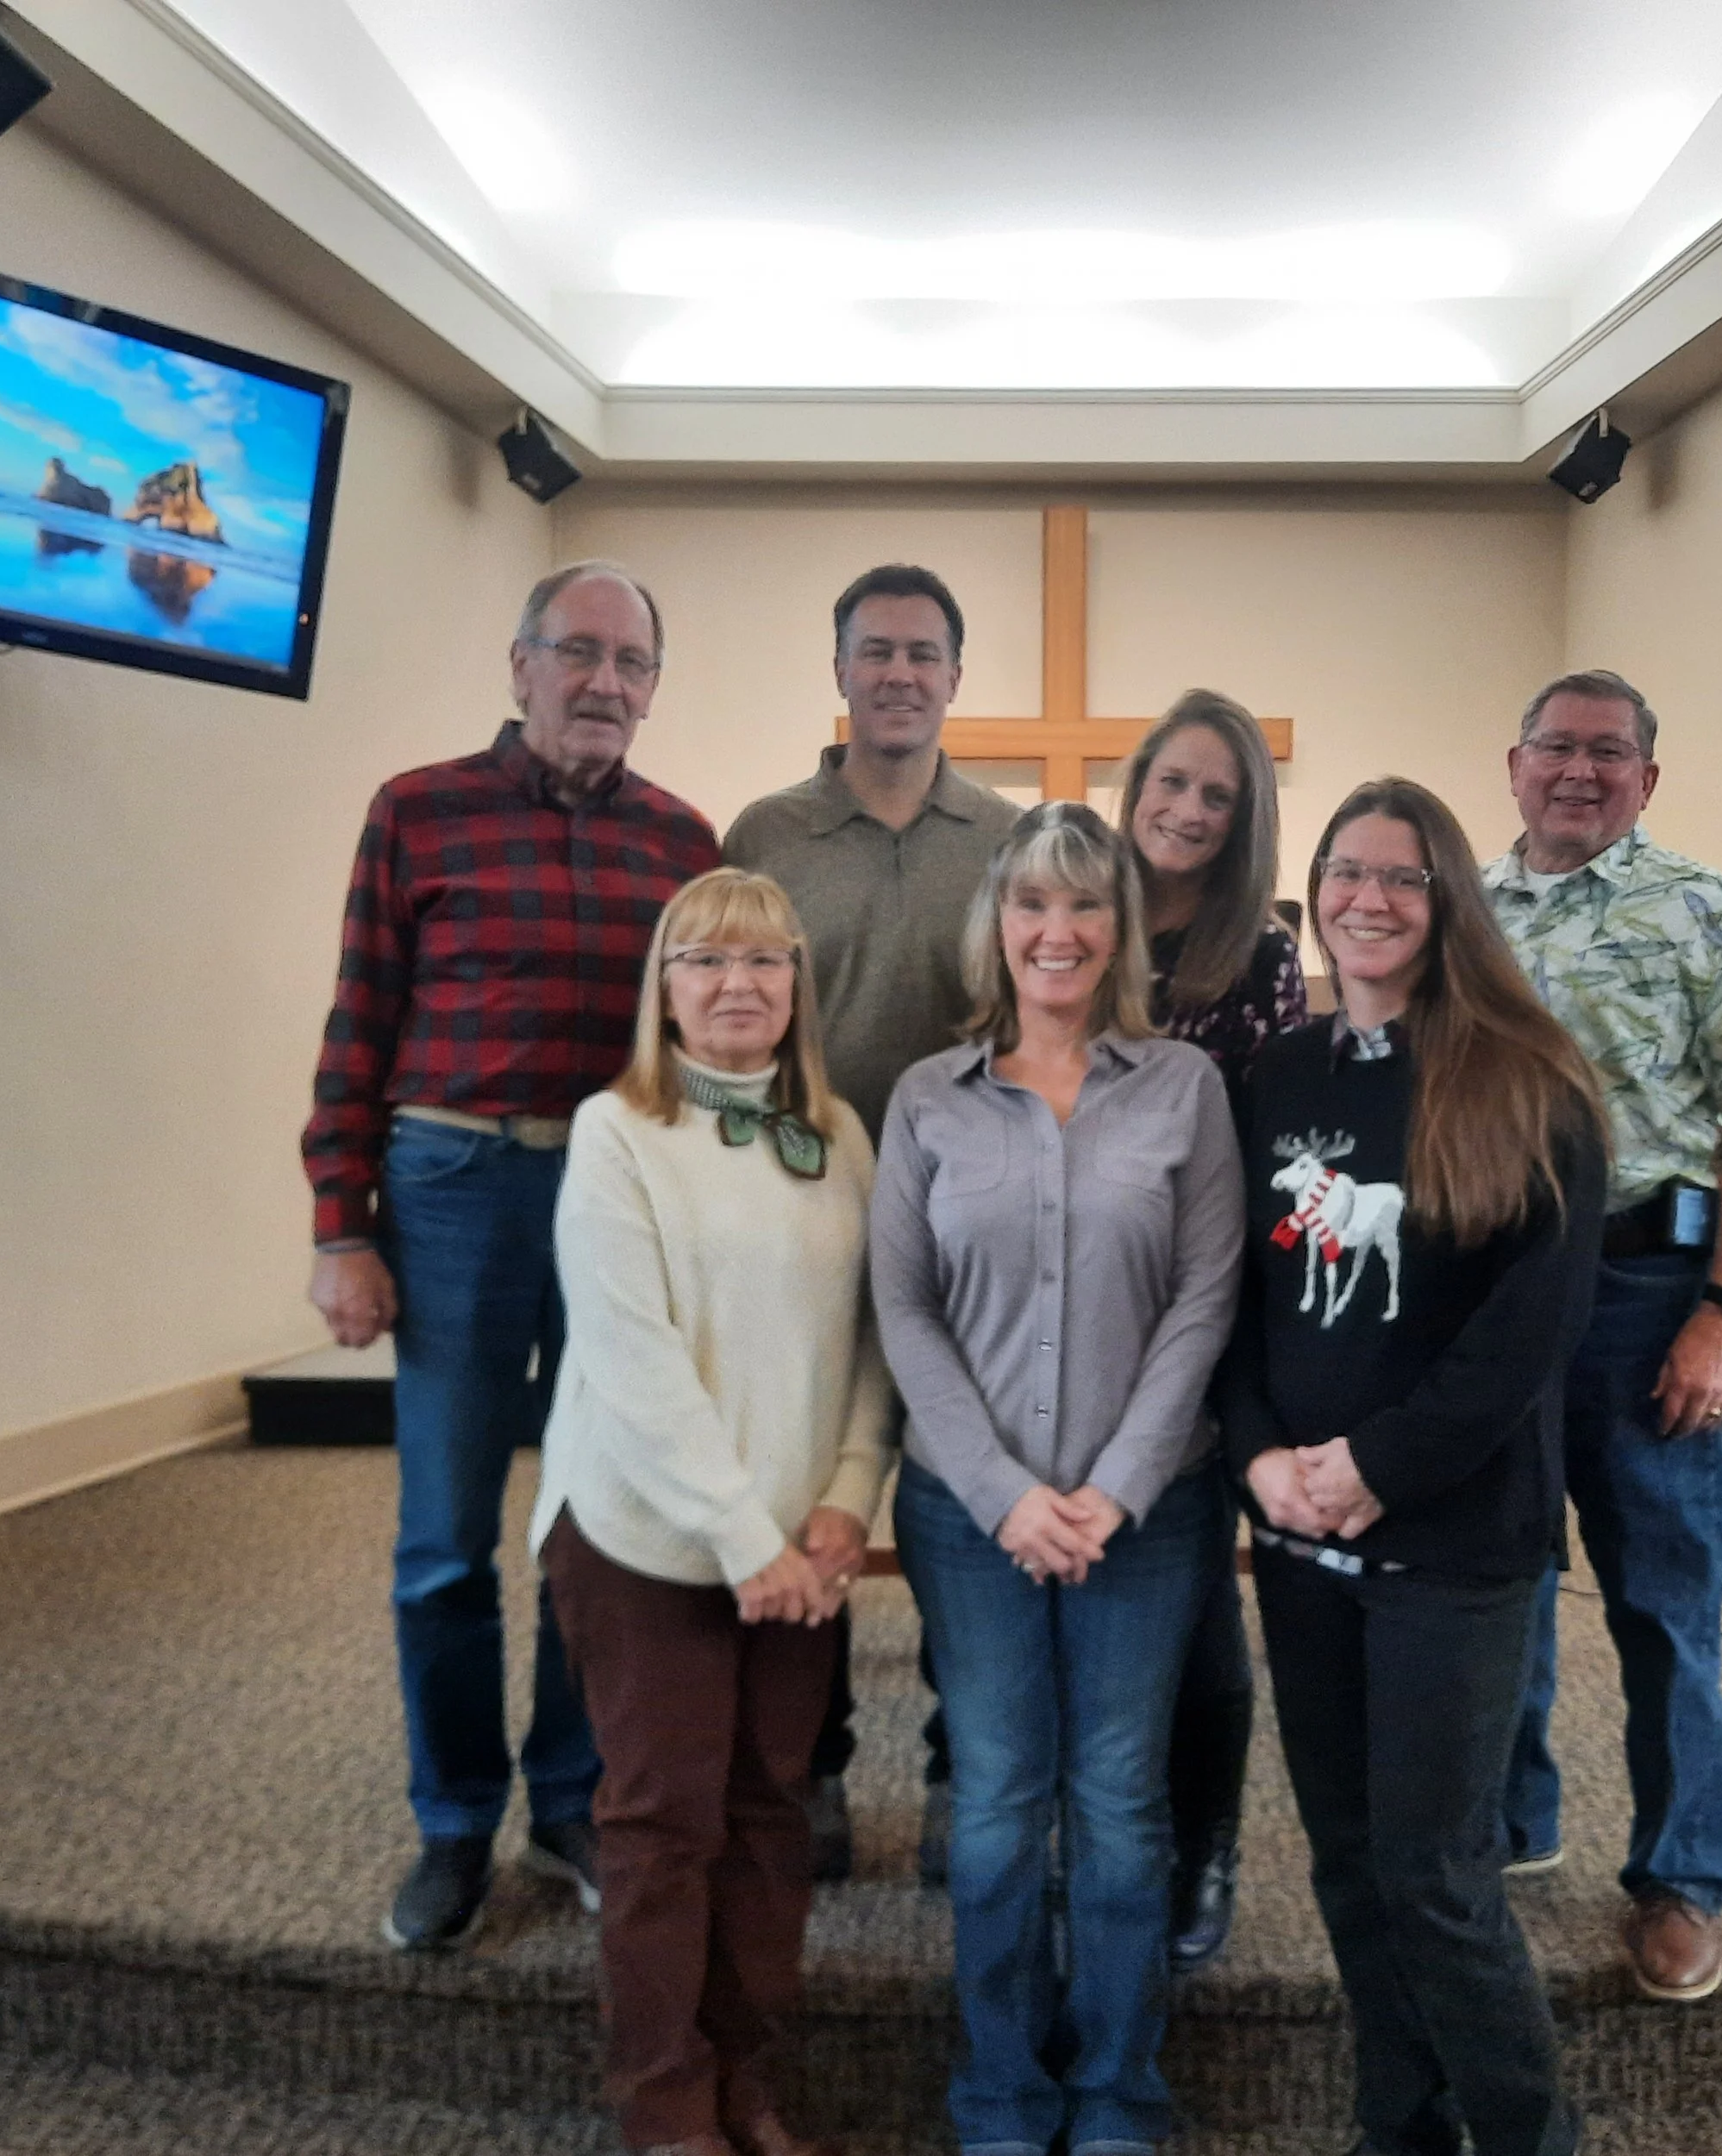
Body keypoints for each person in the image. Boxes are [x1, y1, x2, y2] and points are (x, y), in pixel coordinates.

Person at [302, 561, 721, 1951]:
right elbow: (360, 1022)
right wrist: (341, 1227)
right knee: (445, 1541)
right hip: (454, 1186)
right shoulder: (415, 811)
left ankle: (570, 1797)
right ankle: (453, 1821)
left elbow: (710, 1049)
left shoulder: (685, 844)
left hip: (616, 1202)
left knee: (593, 1527)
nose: (607, 684)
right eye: (580, 653)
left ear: (655, 688)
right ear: (521, 664)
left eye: (634, 664)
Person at [1218, 777, 1606, 2156]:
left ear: (1448, 901)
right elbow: (1242, 1302)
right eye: (1344, 873)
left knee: (1439, 1880)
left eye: (1399, 877)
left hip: (1454, 1545)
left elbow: (1530, 1331)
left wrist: (1376, 1467)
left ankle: (1523, 2137)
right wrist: (1260, 1461)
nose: (1365, 900)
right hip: (1303, 1545)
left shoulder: (1528, 1073)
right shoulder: (1281, 1073)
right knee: (1348, 1866)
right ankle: (1404, 2127)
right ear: (1313, 891)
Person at [872, 802, 1243, 2156]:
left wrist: (1117, 1488)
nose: (1059, 930)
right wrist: (1006, 1496)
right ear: (997, 924)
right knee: (998, 1806)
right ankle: (1002, 2097)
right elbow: (903, 1315)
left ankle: (1116, 2099)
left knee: (1125, 1808)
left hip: (1145, 1519)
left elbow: (1207, 1303)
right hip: (973, 1521)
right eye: (1033, 902)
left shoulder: (1184, 1089)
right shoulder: (927, 1097)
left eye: (1086, 906)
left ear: (1120, 931)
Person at [532, 866, 893, 2156]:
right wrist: (747, 1541)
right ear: (664, 991)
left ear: (799, 985)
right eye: (704, 962)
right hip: (646, 1533)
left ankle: (747, 2078)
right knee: (663, 1824)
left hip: (800, 1550)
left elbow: (872, 1343)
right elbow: (631, 1362)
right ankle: (667, 2108)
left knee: (769, 1818)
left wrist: (848, 1500)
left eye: (764, 962)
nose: (737, 985)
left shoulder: (841, 1134)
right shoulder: (616, 1131)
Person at [1487, 669, 1722, 2003]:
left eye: (1607, 752)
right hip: (1494, 1296)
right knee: (1493, 1581)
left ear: (1647, 779)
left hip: (1643, 1291)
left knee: (1665, 1602)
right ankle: (1510, 1824)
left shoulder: (1704, 907)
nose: (1579, 769)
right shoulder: (1466, 915)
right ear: (1514, 766)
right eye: (1556, 747)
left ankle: (1681, 1879)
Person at [724, 561, 1019, 1882]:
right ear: (838, 671)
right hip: (807, 1211)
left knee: (958, 1495)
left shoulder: (1009, 841)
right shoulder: (767, 834)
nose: (900, 673)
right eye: (875, 651)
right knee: (809, 1488)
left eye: (924, 653)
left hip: (973, 1227)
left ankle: (968, 1762)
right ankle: (816, 1762)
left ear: (958, 676)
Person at [1117, 688, 1306, 1971]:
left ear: (1244, 821)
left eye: (1215, 794)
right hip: (1066, 1299)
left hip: (1203, 1303)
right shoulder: (1076, 903)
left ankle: (1207, 1848)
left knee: (1191, 1604)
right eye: (1170, 783)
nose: (1185, 810)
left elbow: (1273, 1147)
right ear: (1133, 787)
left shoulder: (1261, 955)